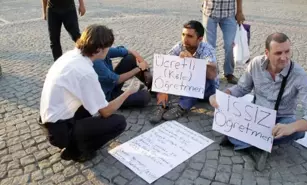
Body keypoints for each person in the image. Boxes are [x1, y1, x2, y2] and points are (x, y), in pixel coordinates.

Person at [209, 33, 307, 171]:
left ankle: (239, 140)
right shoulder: (256, 63)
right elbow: (241, 88)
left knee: (299, 133)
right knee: (227, 118)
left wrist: (291, 127)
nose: (284, 57)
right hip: (256, 114)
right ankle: (257, 147)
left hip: (281, 118)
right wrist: (221, 96)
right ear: (267, 53)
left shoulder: (299, 74)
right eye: (278, 53)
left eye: (287, 51)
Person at [39, 24, 138, 162]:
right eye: (108, 46)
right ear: (98, 50)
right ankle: (76, 151)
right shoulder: (86, 72)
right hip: (59, 130)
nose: (109, 49)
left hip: (50, 118)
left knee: (93, 102)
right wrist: (129, 91)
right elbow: (106, 111)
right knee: (119, 122)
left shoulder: (71, 55)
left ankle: (74, 140)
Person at [149, 20, 219, 124]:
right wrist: (163, 89)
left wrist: (193, 62)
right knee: (161, 72)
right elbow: (165, 66)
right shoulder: (180, 46)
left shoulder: (207, 49)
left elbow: (212, 74)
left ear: (200, 39)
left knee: (201, 77)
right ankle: (161, 104)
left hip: (207, 90)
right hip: (185, 83)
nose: (185, 39)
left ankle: (182, 107)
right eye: (183, 35)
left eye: (190, 36)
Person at [202, 0, 245, 84]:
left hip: (228, 13)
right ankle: (212, 74)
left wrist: (239, 11)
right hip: (209, 12)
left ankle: (229, 73)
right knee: (209, 46)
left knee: (229, 44)